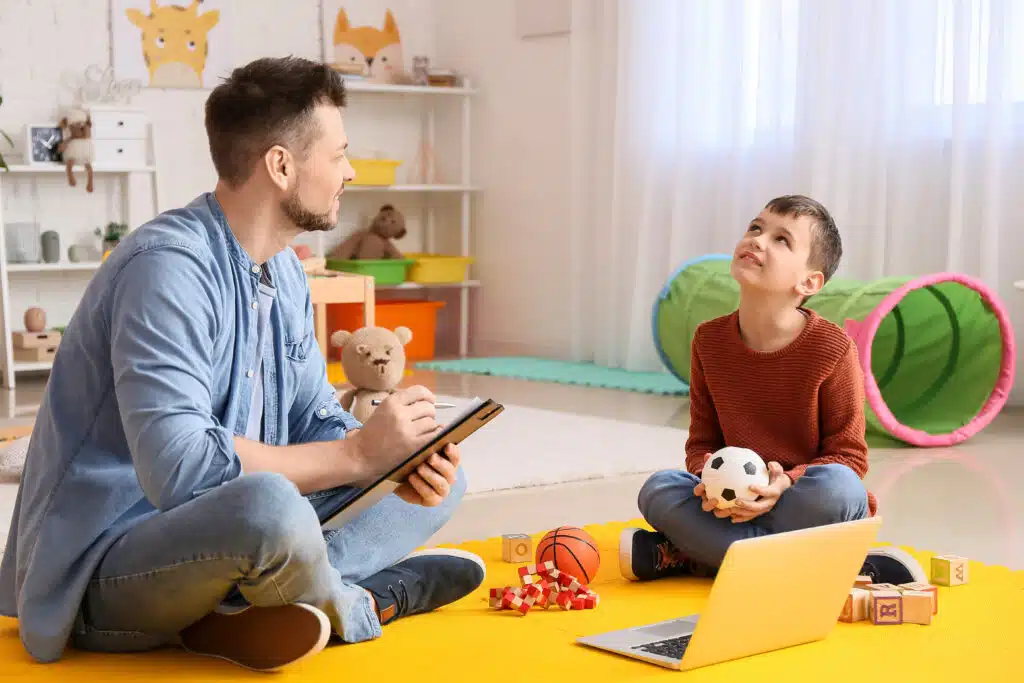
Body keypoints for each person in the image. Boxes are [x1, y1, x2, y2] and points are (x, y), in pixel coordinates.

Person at [0, 56, 485, 672]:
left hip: (217, 543)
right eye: (337, 155)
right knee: (269, 509)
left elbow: (312, 418)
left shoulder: (281, 267)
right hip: (111, 565)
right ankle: (369, 601)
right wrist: (358, 458)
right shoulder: (166, 268)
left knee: (439, 484)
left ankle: (247, 610)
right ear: (281, 166)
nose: (351, 171)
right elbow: (181, 470)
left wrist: (389, 454)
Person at [619, 195, 926, 585]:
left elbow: (849, 456)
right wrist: (713, 484)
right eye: (756, 228)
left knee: (838, 487)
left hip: (801, 500)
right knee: (659, 489)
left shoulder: (832, 348)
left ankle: (697, 555)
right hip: (731, 501)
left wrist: (784, 482)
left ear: (809, 282)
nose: (758, 241)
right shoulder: (708, 341)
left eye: (782, 240)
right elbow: (701, 444)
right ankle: (822, 566)